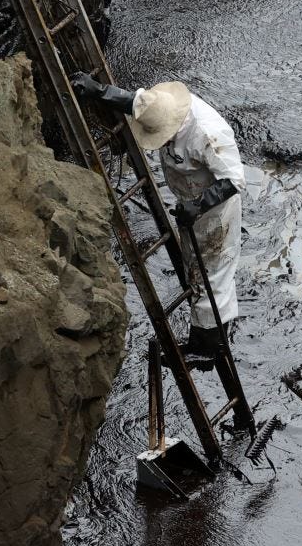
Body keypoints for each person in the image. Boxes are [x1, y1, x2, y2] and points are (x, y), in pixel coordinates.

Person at [70, 72, 245, 366]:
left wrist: (200, 205)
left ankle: (207, 349)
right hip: (191, 202)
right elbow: (135, 102)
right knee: (195, 269)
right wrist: (98, 90)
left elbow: (235, 180)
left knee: (212, 275)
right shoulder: (163, 105)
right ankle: (205, 337)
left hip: (216, 213)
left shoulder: (207, 133)